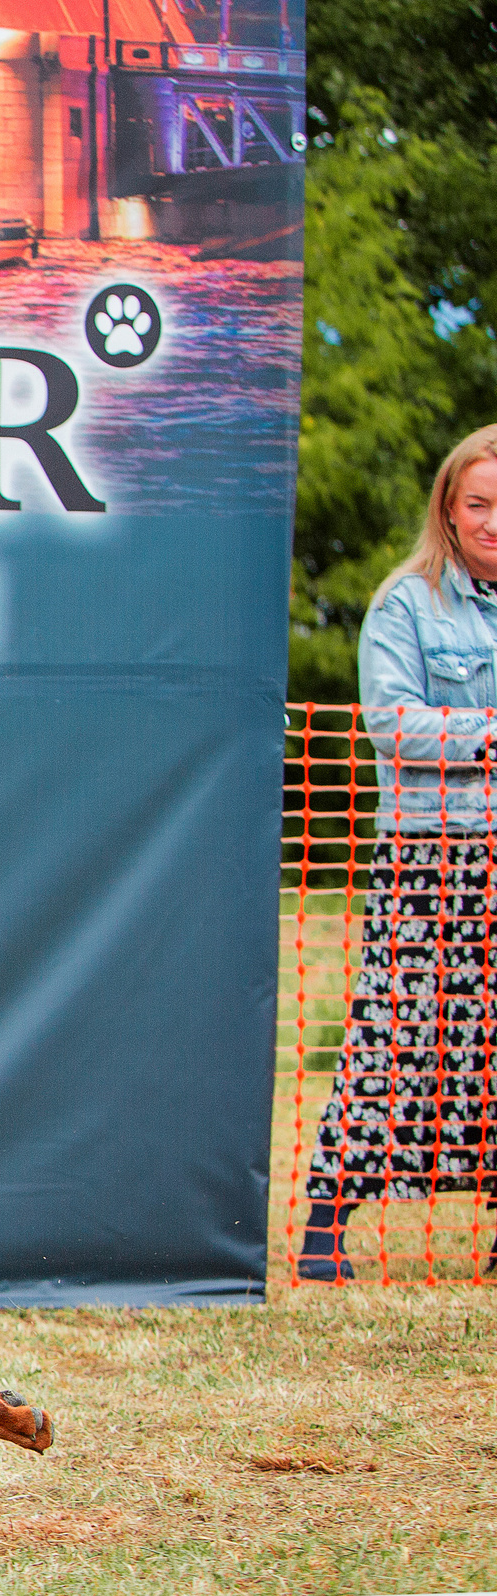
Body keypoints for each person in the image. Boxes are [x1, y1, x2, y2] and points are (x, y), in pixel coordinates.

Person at [301, 425, 497, 1280]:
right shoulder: (405, 604)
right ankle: (322, 1232)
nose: (493, 520)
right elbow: (393, 723)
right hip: (432, 854)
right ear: (448, 510)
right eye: (479, 503)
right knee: (397, 1034)